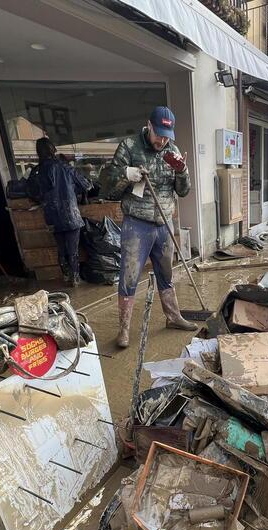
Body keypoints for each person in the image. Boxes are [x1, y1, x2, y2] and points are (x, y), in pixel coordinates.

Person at [100, 105, 196, 348]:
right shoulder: (129, 147)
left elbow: (183, 191)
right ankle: (123, 331)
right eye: (159, 134)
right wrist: (125, 174)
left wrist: (183, 171)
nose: (162, 140)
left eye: (167, 136)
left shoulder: (171, 151)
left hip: (163, 223)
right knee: (129, 276)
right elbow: (109, 189)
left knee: (166, 273)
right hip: (136, 225)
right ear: (149, 126)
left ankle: (173, 317)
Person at [35, 138, 92, 287]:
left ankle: (66, 275)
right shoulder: (64, 167)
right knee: (73, 249)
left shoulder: (38, 170)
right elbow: (86, 185)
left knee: (61, 248)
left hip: (51, 216)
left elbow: (33, 192)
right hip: (70, 214)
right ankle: (75, 278)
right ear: (52, 149)